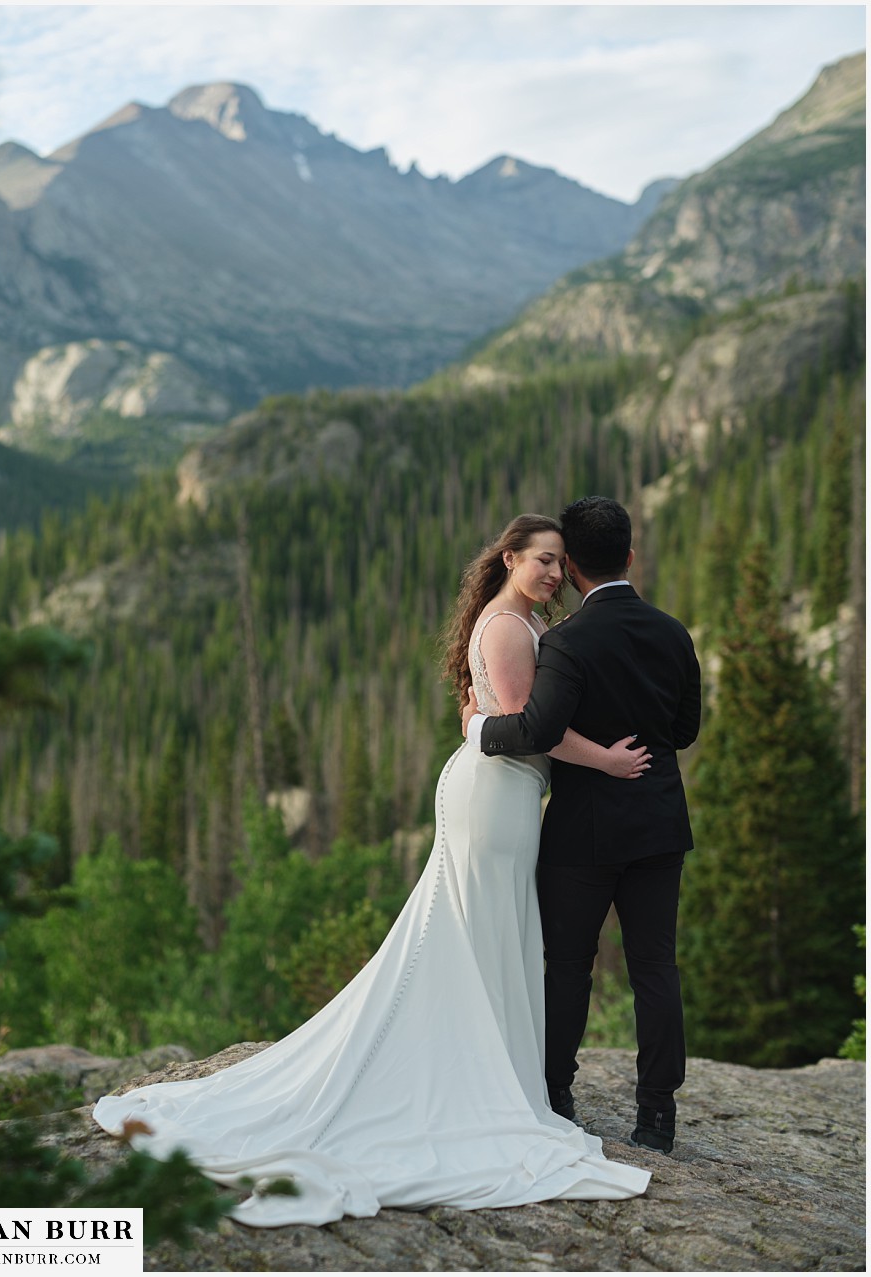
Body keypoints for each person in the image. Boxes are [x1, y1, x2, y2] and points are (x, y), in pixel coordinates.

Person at [93, 513, 654, 1226]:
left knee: (483, 929)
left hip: (507, 792)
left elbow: (510, 718)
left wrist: (485, 723)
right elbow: (525, 726)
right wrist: (603, 759)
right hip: (496, 792)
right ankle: (474, 1080)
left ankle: (485, 1070)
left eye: (558, 561)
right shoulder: (510, 627)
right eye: (540, 558)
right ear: (510, 556)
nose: (551, 572)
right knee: (481, 927)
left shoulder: (523, 620)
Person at [464, 497, 702, 1155]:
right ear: (630, 556)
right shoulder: (673, 633)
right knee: (656, 967)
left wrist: (477, 726)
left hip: (583, 831)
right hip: (658, 824)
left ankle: (556, 1095)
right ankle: (656, 1116)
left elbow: (538, 729)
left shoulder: (566, 641)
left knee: (568, 967)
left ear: (570, 567)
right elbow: (685, 730)